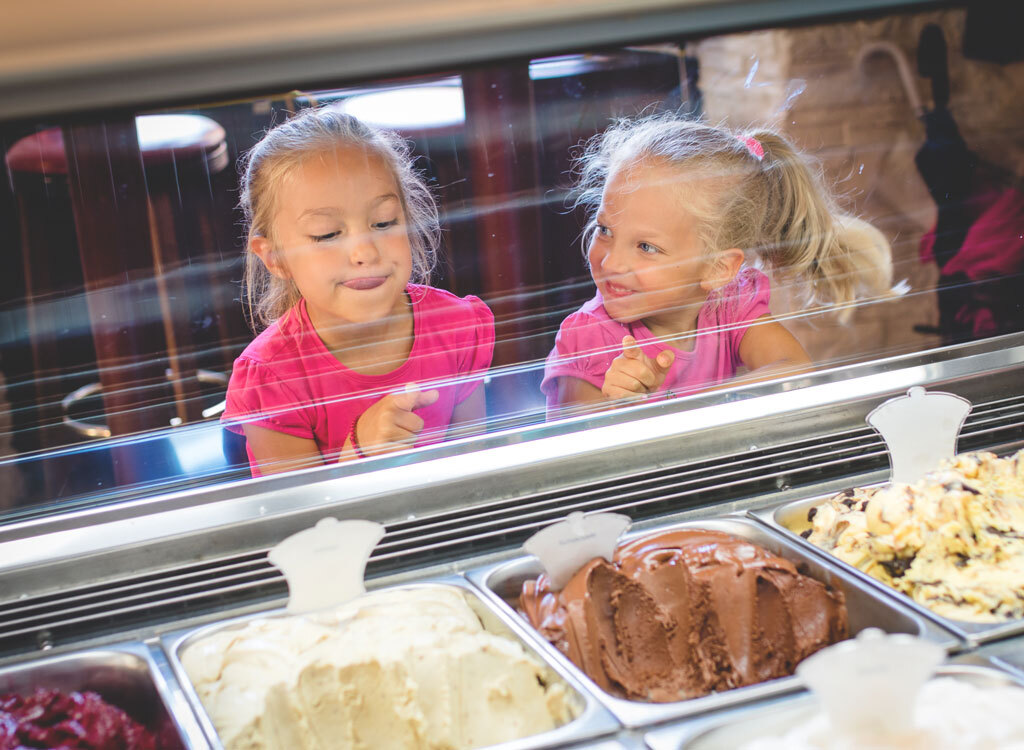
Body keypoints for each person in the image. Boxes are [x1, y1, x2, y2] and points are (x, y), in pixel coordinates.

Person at [542, 115, 893, 414]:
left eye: (646, 247)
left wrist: (684, 406)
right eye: (605, 230)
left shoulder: (728, 307)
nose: (611, 260)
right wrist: (619, 405)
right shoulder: (590, 338)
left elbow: (794, 370)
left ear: (717, 270)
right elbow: (581, 458)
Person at [223, 107, 494, 475]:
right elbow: (301, 519)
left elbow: (474, 472)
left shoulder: (456, 326)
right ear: (274, 257)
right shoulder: (273, 378)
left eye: (383, 223)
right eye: (327, 234)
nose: (365, 252)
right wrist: (359, 451)